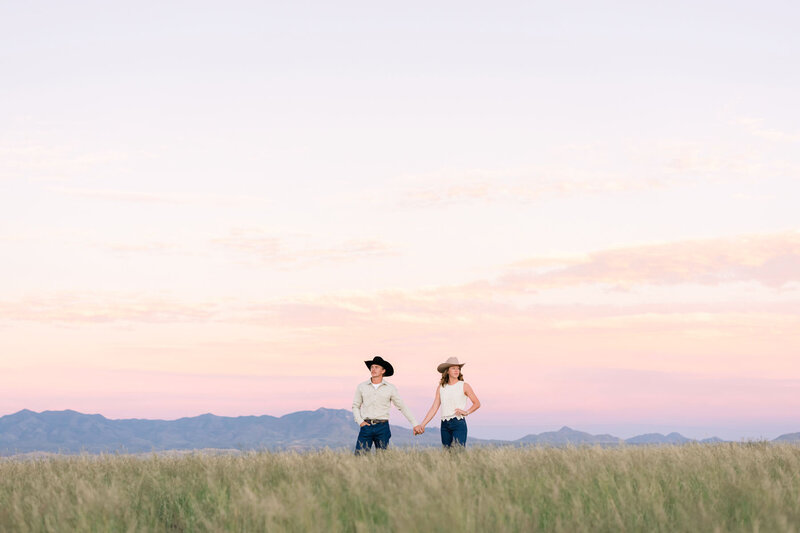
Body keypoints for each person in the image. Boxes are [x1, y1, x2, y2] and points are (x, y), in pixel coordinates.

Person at [352, 355, 419, 454]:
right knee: (360, 456)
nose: (373, 369)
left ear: (383, 371)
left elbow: (402, 406)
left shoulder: (390, 388)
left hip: (382, 427)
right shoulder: (362, 386)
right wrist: (360, 422)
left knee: (383, 458)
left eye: (376, 367)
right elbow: (355, 406)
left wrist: (415, 424)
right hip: (366, 426)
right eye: (372, 367)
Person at [414, 357, 481, 448]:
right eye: (453, 368)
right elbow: (434, 407)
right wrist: (423, 425)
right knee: (446, 454)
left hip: (458, 423)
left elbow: (477, 403)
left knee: (458, 452)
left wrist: (466, 412)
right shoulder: (441, 388)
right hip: (444, 425)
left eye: (458, 368)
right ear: (447, 371)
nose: (456, 370)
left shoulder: (464, 386)